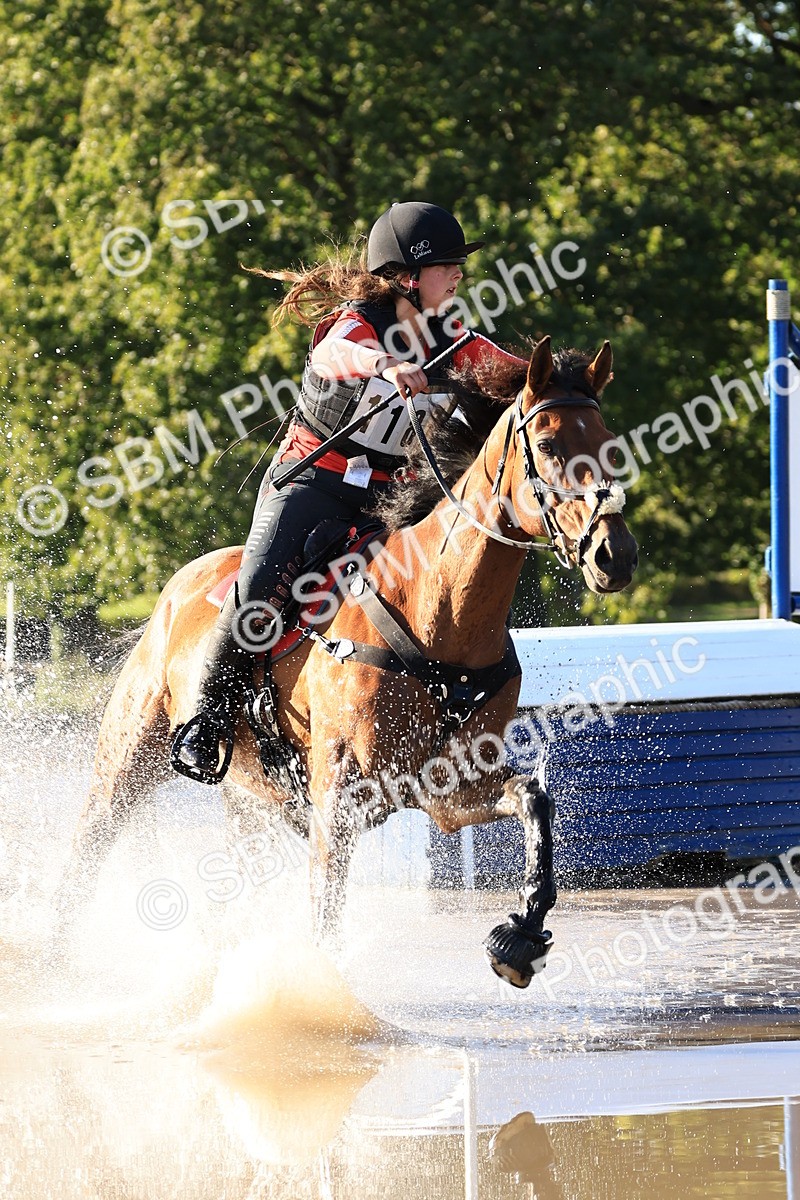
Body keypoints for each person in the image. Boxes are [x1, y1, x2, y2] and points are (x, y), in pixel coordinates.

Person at [171, 201, 525, 784]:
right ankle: (205, 721)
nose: (459, 275)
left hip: (383, 499)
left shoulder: (452, 338)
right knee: (259, 589)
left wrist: (566, 384)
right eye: (448, 266)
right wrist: (385, 365)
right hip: (311, 484)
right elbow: (337, 354)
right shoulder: (356, 323)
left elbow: (515, 374)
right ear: (408, 276)